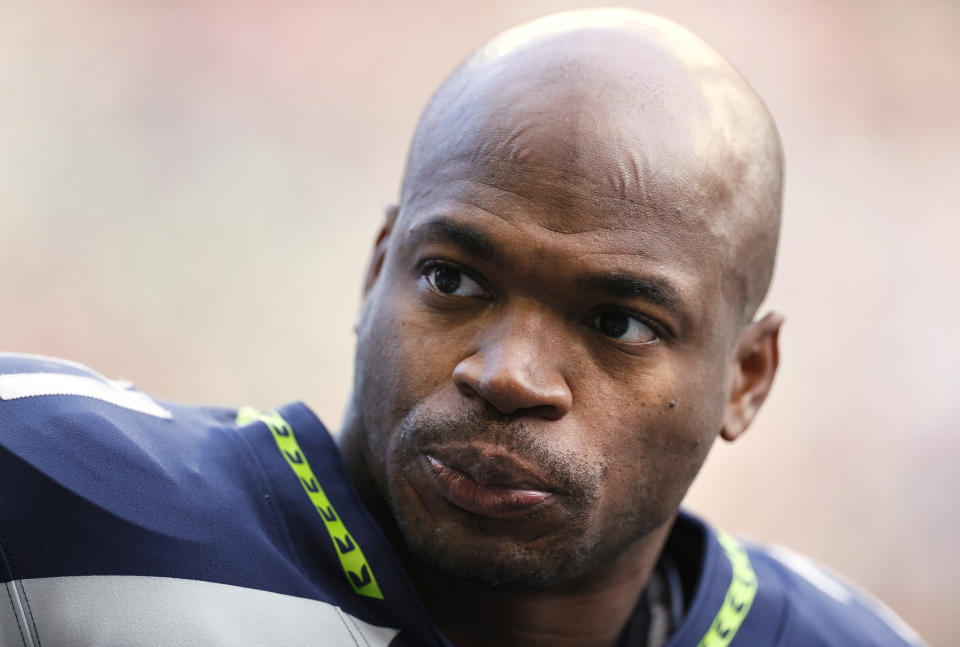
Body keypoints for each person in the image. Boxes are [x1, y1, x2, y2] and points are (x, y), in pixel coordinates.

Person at [0, 8, 924, 647]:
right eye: (452, 277)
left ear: (748, 376)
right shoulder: (49, 497)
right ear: (376, 269)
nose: (510, 372)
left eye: (618, 321)